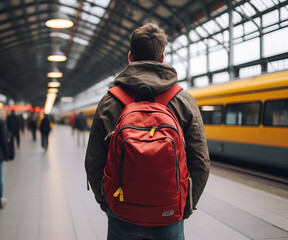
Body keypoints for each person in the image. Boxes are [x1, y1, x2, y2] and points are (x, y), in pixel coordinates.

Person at [85, 23, 210, 239]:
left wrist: (107, 205)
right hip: (169, 213)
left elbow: (94, 162)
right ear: (162, 57)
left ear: (130, 57)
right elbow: (201, 163)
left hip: (122, 212)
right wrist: (184, 207)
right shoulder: (184, 101)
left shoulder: (109, 102)